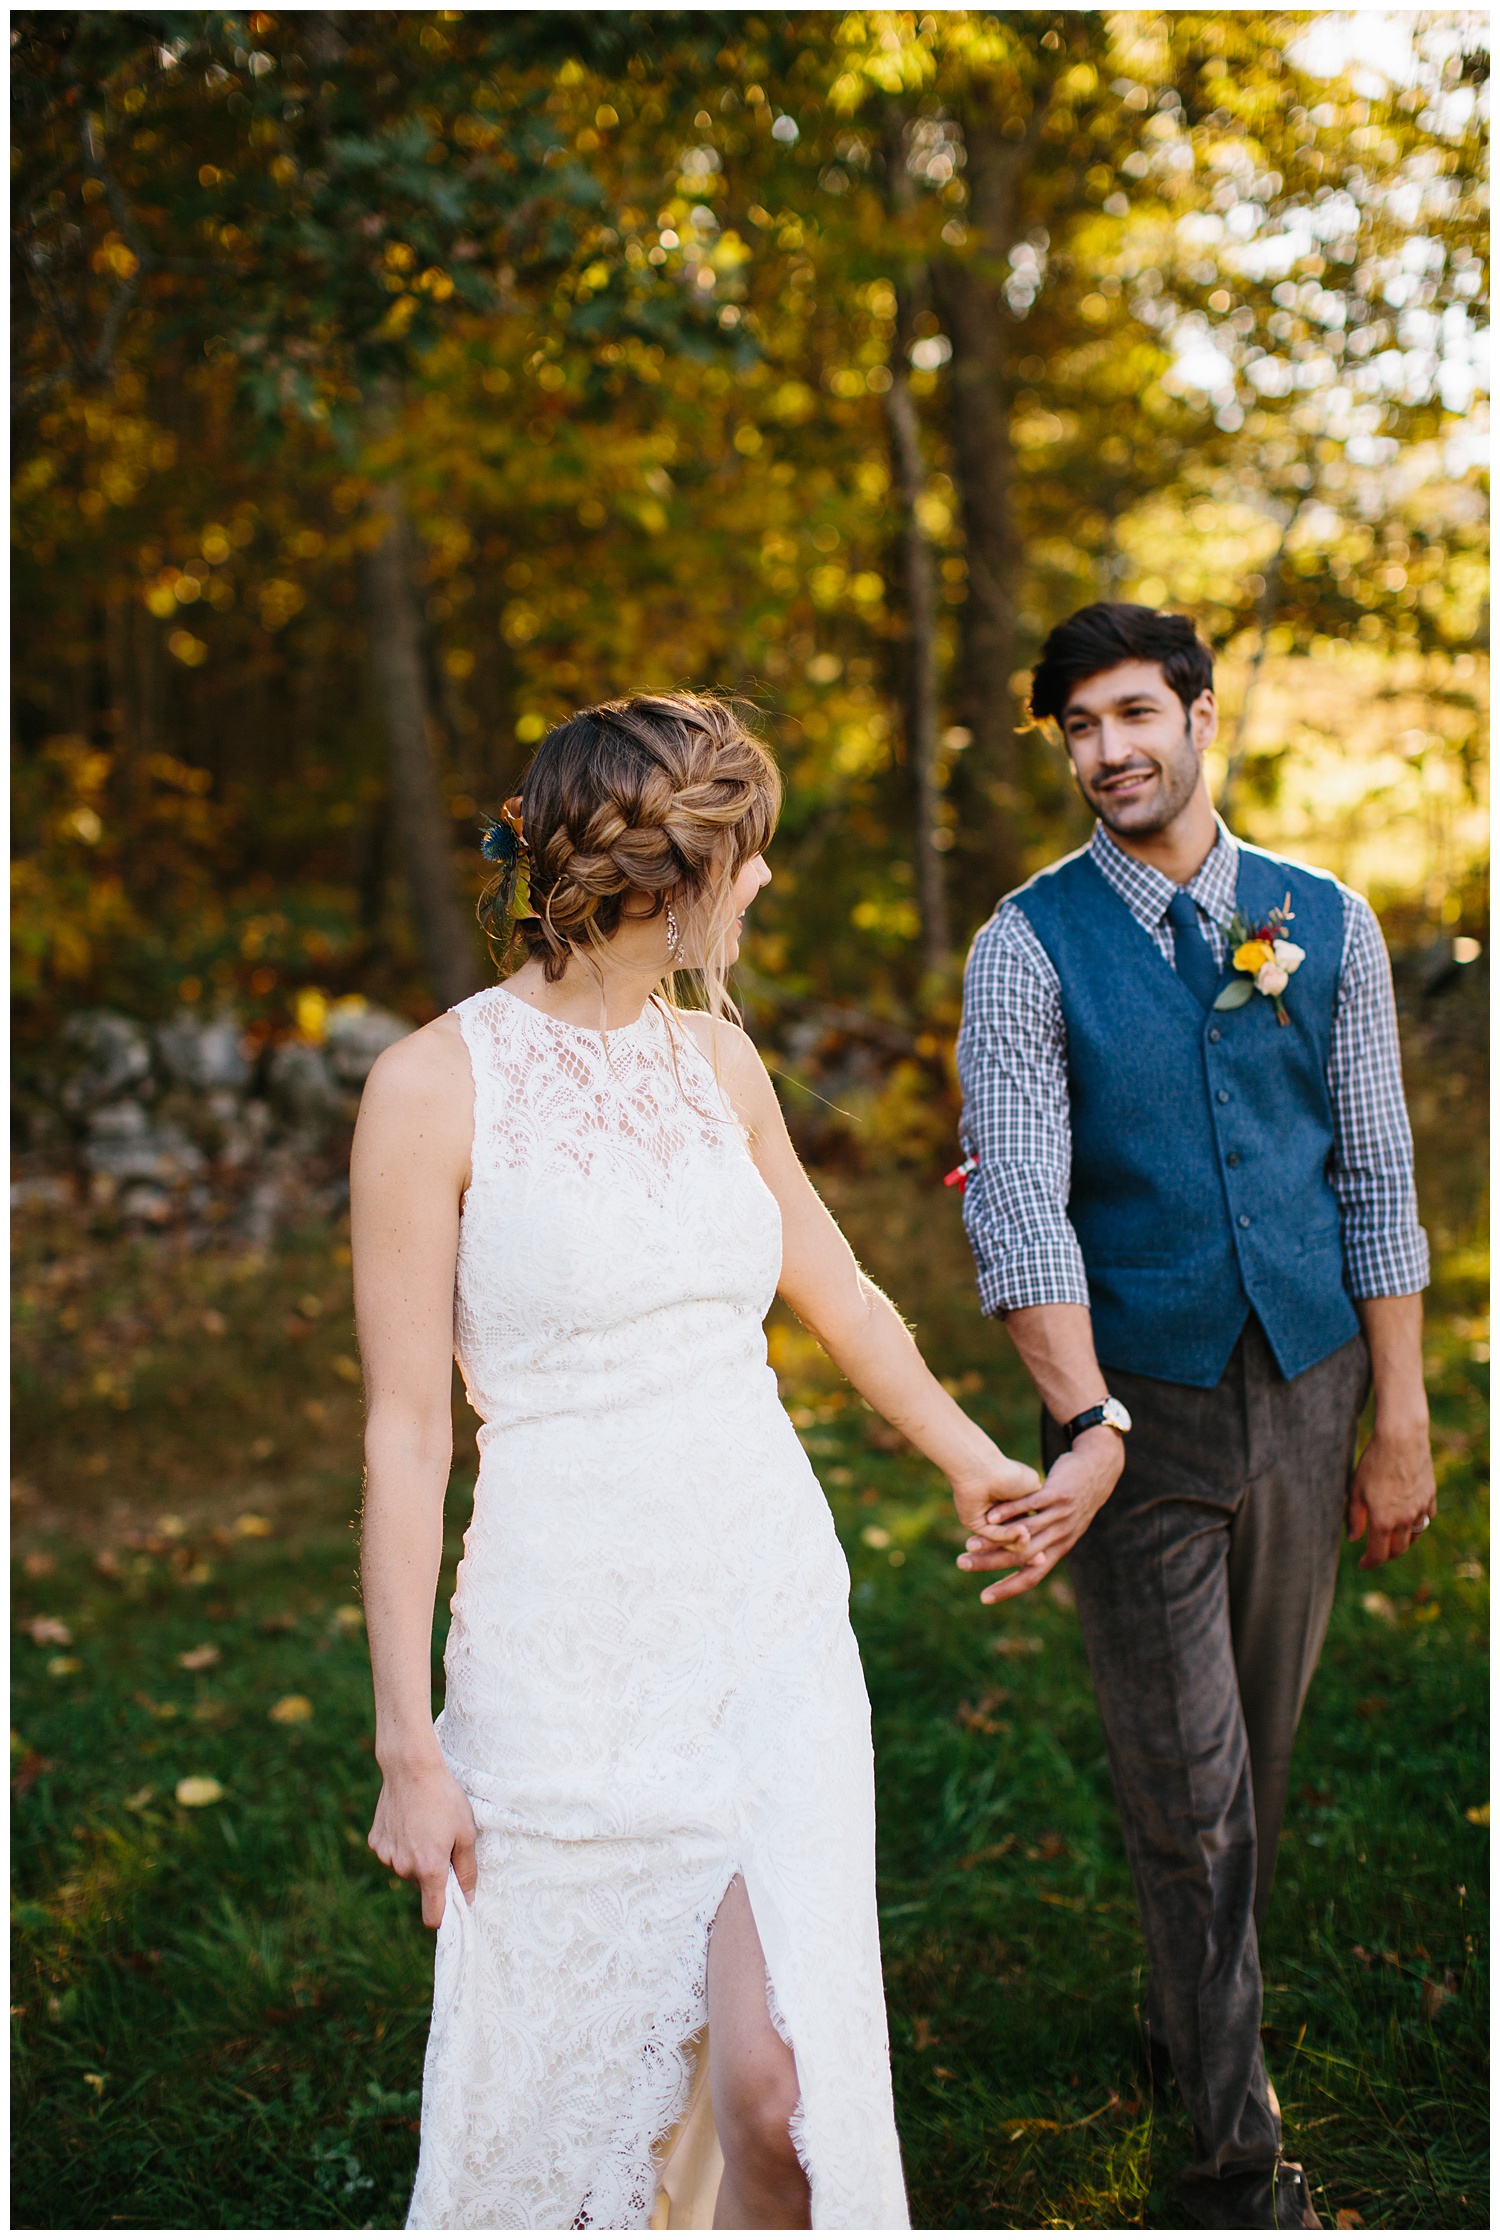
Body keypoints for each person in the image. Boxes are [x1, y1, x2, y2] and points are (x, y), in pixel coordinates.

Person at [353, 693, 1040, 2231]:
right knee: (563, 2115)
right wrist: (410, 1742)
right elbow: (404, 1434)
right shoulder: (429, 1088)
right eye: (755, 857)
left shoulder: (718, 1065)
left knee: (783, 2095)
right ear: (674, 874)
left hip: (762, 1616)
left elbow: (846, 1296)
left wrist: (972, 1457)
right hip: (559, 1647)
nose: (769, 886)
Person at [953, 604, 1436, 2232]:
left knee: (1262, 1756)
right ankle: (1233, 2166)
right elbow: (1017, 1206)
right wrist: (1082, 1418)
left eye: (1133, 714)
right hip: (1131, 1413)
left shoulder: (1328, 922)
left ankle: (1187, 2014)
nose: (1107, 753)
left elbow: (1375, 1176)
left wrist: (1401, 1420)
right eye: (1078, 728)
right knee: (1190, 1786)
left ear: (1202, 716)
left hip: (1309, 1390)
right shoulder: (1025, 945)